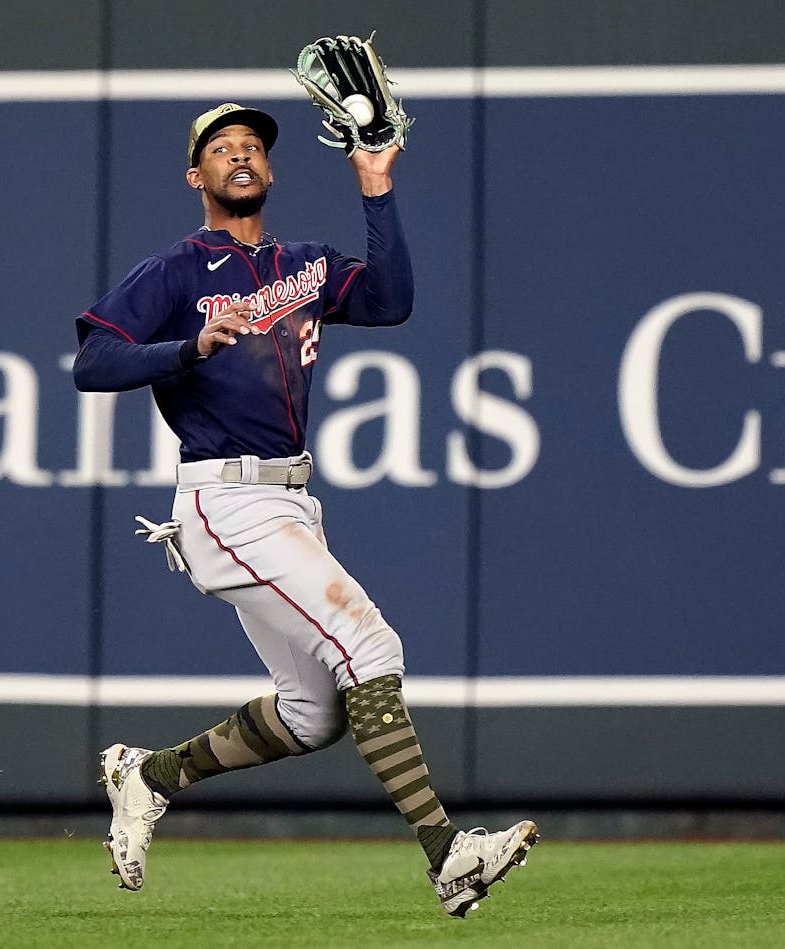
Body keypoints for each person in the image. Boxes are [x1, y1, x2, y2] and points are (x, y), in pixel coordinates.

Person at [72, 102, 538, 918]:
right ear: (198, 177)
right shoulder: (178, 270)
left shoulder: (305, 264)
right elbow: (94, 361)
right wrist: (191, 345)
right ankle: (447, 851)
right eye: (222, 149)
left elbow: (390, 301)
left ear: (271, 170)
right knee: (370, 640)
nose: (242, 155)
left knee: (312, 712)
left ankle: (149, 776)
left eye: (254, 145)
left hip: (289, 498)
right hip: (224, 496)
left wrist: (375, 185)